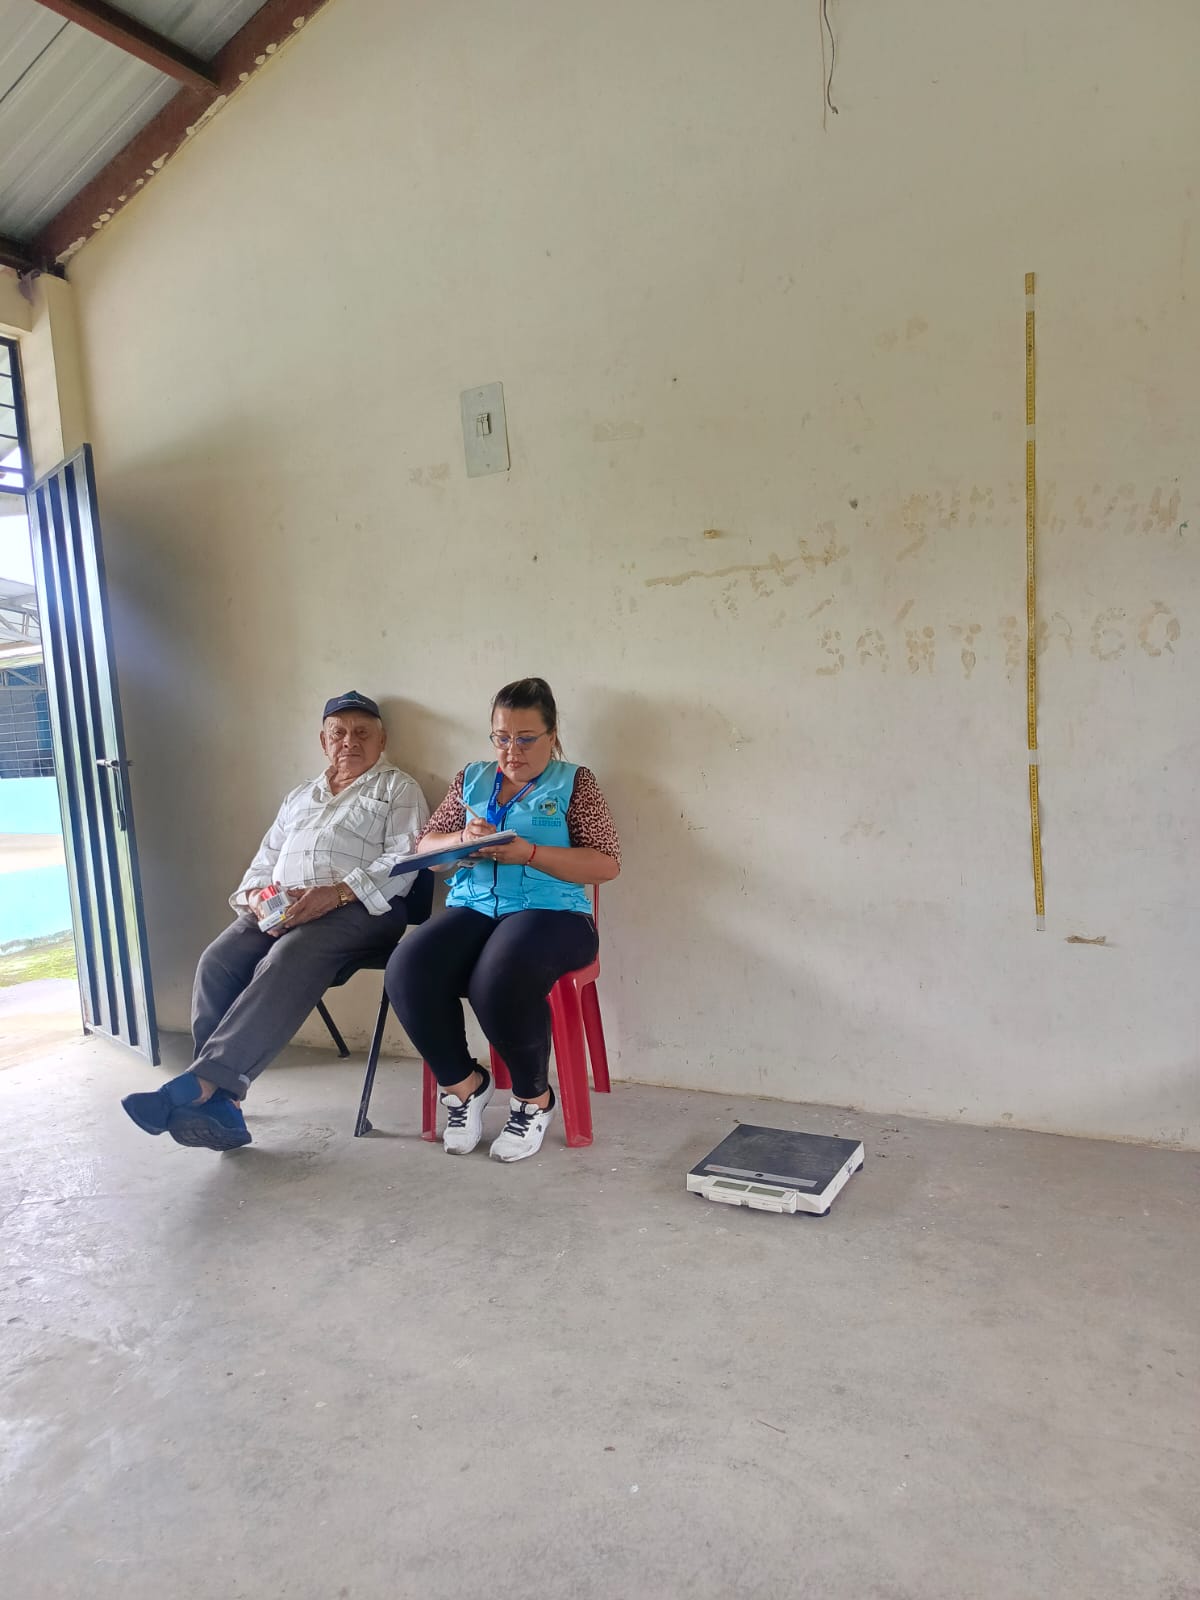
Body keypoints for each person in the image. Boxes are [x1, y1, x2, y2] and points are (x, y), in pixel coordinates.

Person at [121, 692, 429, 1151]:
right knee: (218, 962)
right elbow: (264, 861)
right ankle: (221, 1105)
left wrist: (336, 893)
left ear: (381, 740)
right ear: (323, 742)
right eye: (339, 733)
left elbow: (405, 861)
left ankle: (202, 1085)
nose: (350, 741)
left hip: (362, 908)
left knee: (289, 956)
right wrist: (258, 898)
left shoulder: (397, 788)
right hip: (282, 908)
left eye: (362, 733)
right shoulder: (300, 795)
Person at [386, 677, 620, 1163]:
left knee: (498, 977)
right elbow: (426, 846)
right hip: (474, 907)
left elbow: (606, 864)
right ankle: (464, 1086)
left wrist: (530, 853)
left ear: (553, 735)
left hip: (554, 914)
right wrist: (462, 840)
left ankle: (534, 1099)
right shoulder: (471, 778)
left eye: (526, 738)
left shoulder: (576, 782)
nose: (512, 751)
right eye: (501, 737)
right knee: (408, 967)